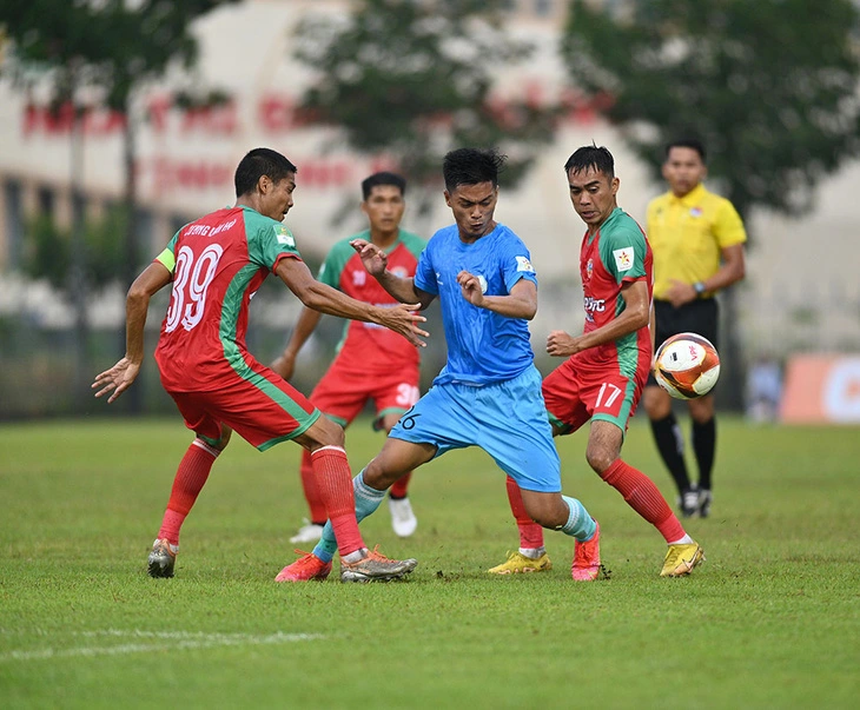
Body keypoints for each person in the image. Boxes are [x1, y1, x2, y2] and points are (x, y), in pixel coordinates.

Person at [92, 147, 427, 583]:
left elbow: (138, 292)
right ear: (265, 184)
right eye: (289, 189)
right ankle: (355, 557)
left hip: (172, 364)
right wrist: (381, 314)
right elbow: (310, 292)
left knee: (212, 436)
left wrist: (133, 358)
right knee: (328, 434)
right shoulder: (266, 229)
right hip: (217, 363)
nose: (291, 201)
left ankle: (165, 543)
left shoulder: (190, 230)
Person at [277, 147, 603, 583]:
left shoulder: (508, 246)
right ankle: (321, 556)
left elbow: (527, 303)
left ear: (496, 195)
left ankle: (588, 532)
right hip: (454, 392)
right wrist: (382, 275)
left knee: (545, 510)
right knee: (380, 468)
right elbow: (418, 295)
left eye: (486, 202)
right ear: (448, 199)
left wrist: (484, 299)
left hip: (511, 394)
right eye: (467, 204)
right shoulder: (440, 245)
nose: (477, 213)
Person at [491, 145, 704, 579]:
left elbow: (636, 312)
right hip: (589, 359)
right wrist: (585, 348)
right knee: (518, 433)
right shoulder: (594, 232)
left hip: (619, 362)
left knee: (601, 456)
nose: (585, 200)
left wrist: (581, 344)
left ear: (614, 185)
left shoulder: (620, 236)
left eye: (593, 189)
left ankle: (682, 543)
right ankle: (532, 552)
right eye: (576, 192)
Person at [270, 172, 425, 543]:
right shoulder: (344, 252)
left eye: (394, 200)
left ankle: (399, 496)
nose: (387, 208)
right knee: (312, 432)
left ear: (403, 206)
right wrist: (290, 353)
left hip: (399, 364)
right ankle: (316, 522)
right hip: (351, 364)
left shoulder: (421, 250)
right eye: (379, 200)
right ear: (364, 206)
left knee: (401, 429)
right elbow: (314, 302)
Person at [643, 138, 747, 518]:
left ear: (702, 169)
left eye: (690, 164)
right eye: (676, 164)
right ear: (666, 168)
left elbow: (736, 267)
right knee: (654, 402)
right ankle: (685, 489)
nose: (682, 171)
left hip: (698, 313)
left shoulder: (719, 209)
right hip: (659, 314)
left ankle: (704, 484)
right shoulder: (655, 208)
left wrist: (697, 287)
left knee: (700, 405)